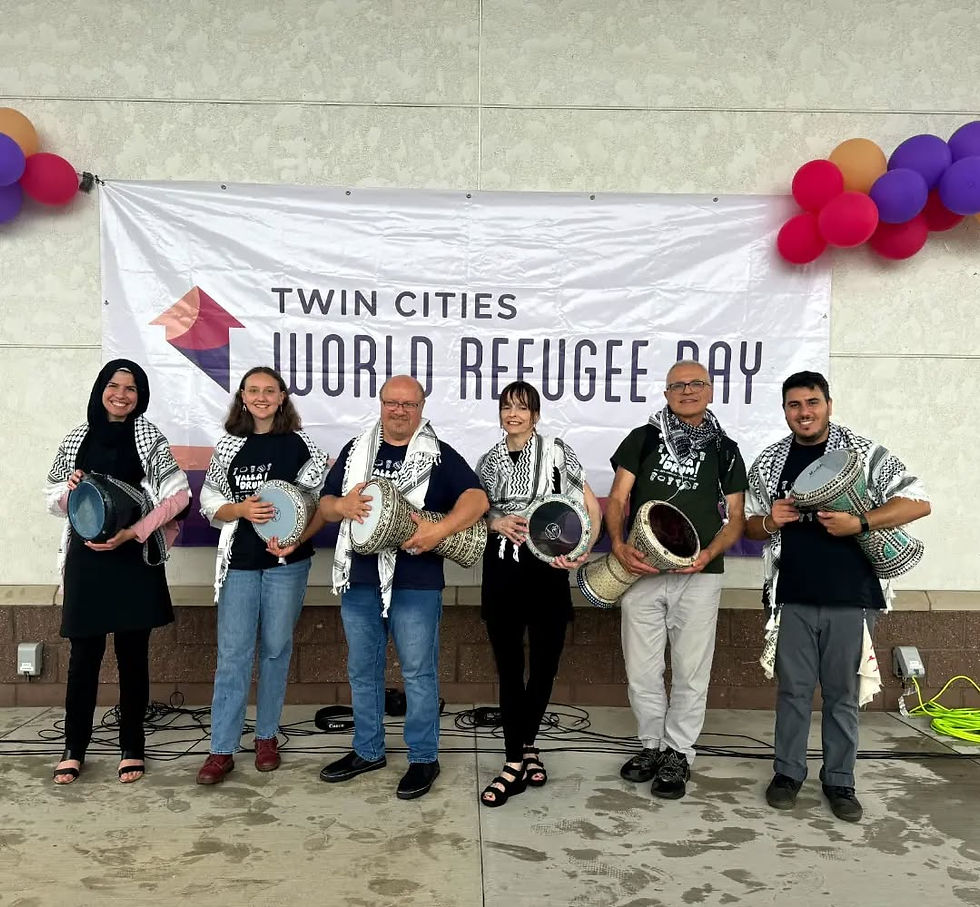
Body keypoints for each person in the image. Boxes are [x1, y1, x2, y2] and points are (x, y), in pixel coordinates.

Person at [744, 370, 930, 822]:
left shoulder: (864, 455)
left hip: (854, 596)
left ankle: (840, 780)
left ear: (828, 404)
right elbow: (748, 524)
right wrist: (771, 521)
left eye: (812, 402)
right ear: (785, 410)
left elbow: (918, 502)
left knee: (843, 693)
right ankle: (787, 774)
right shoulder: (770, 460)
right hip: (792, 596)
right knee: (793, 691)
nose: (804, 412)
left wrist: (861, 523)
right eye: (794, 405)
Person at [307, 375, 488, 800]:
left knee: (418, 673)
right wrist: (344, 505)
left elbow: (477, 500)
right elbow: (326, 504)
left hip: (417, 582)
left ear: (421, 408)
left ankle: (424, 757)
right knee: (362, 670)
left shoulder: (437, 456)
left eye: (409, 404)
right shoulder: (357, 450)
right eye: (392, 402)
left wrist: (438, 529)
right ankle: (367, 750)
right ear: (381, 404)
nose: (400, 410)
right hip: (360, 577)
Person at [45, 359, 191, 785]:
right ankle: (74, 748)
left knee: (132, 657)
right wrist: (67, 491)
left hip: (131, 558)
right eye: (114, 386)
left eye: (131, 389)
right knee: (83, 656)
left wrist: (134, 532)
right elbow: (50, 497)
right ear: (101, 389)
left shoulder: (148, 436)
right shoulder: (78, 437)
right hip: (87, 559)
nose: (122, 395)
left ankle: (132, 747)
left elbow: (177, 495)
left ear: (140, 396)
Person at [608, 360, 747, 799]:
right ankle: (651, 745)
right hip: (644, 571)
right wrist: (616, 543)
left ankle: (678, 752)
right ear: (666, 393)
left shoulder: (726, 449)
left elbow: (737, 519)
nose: (688, 391)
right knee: (642, 668)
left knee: (691, 670)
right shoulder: (643, 438)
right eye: (678, 385)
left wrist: (707, 554)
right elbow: (618, 498)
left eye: (696, 384)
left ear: (710, 390)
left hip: (699, 576)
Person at [196, 367, 329, 785]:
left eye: (269, 391)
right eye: (253, 390)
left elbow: (315, 500)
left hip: (287, 564)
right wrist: (240, 510)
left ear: (282, 396)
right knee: (233, 656)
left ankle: (267, 736)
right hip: (239, 561)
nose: (261, 397)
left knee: (275, 650)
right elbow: (209, 501)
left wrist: (291, 532)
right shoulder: (229, 445)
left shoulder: (303, 444)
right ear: (242, 396)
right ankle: (221, 748)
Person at [475, 381, 602, 807]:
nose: (513, 414)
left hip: (547, 568)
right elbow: (477, 512)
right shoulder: (488, 461)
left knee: (545, 666)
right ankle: (515, 761)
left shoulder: (557, 452)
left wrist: (583, 549)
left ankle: (527, 744)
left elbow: (589, 503)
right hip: (503, 569)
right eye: (506, 406)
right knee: (510, 668)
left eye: (522, 407)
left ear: (535, 414)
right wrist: (494, 521)